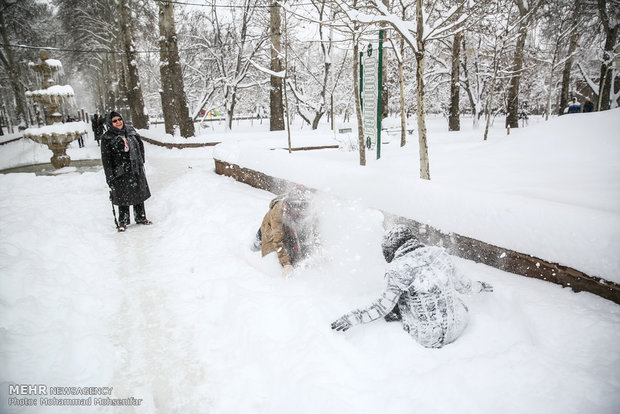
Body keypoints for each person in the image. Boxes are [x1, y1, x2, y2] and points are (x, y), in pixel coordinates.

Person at [331, 225, 493, 348]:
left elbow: (382, 307)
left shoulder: (398, 270)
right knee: (440, 287)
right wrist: (480, 286)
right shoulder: (440, 254)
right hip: (459, 324)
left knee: (397, 303)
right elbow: (464, 286)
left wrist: (352, 318)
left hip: (427, 337)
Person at [100, 111, 152, 232]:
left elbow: (140, 145)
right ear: (110, 123)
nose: (118, 122)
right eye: (114, 121)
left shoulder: (131, 131)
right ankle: (123, 221)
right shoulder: (107, 137)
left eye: (119, 119)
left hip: (135, 168)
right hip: (120, 170)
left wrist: (140, 162)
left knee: (138, 192)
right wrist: (109, 175)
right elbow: (106, 159)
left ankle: (141, 217)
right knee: (123, 195)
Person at [251, 185, 318, 277]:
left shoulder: (310, 212)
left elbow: (316, 234)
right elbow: (278, 240)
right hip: (271, 228)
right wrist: (286, 263)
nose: (299, 210)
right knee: (267, 244)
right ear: (290, 205)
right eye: (296, 206)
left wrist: (319, 252)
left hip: (290, 229)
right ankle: (254, 247)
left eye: (302, 206)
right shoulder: (278, 211)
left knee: (299, 247)